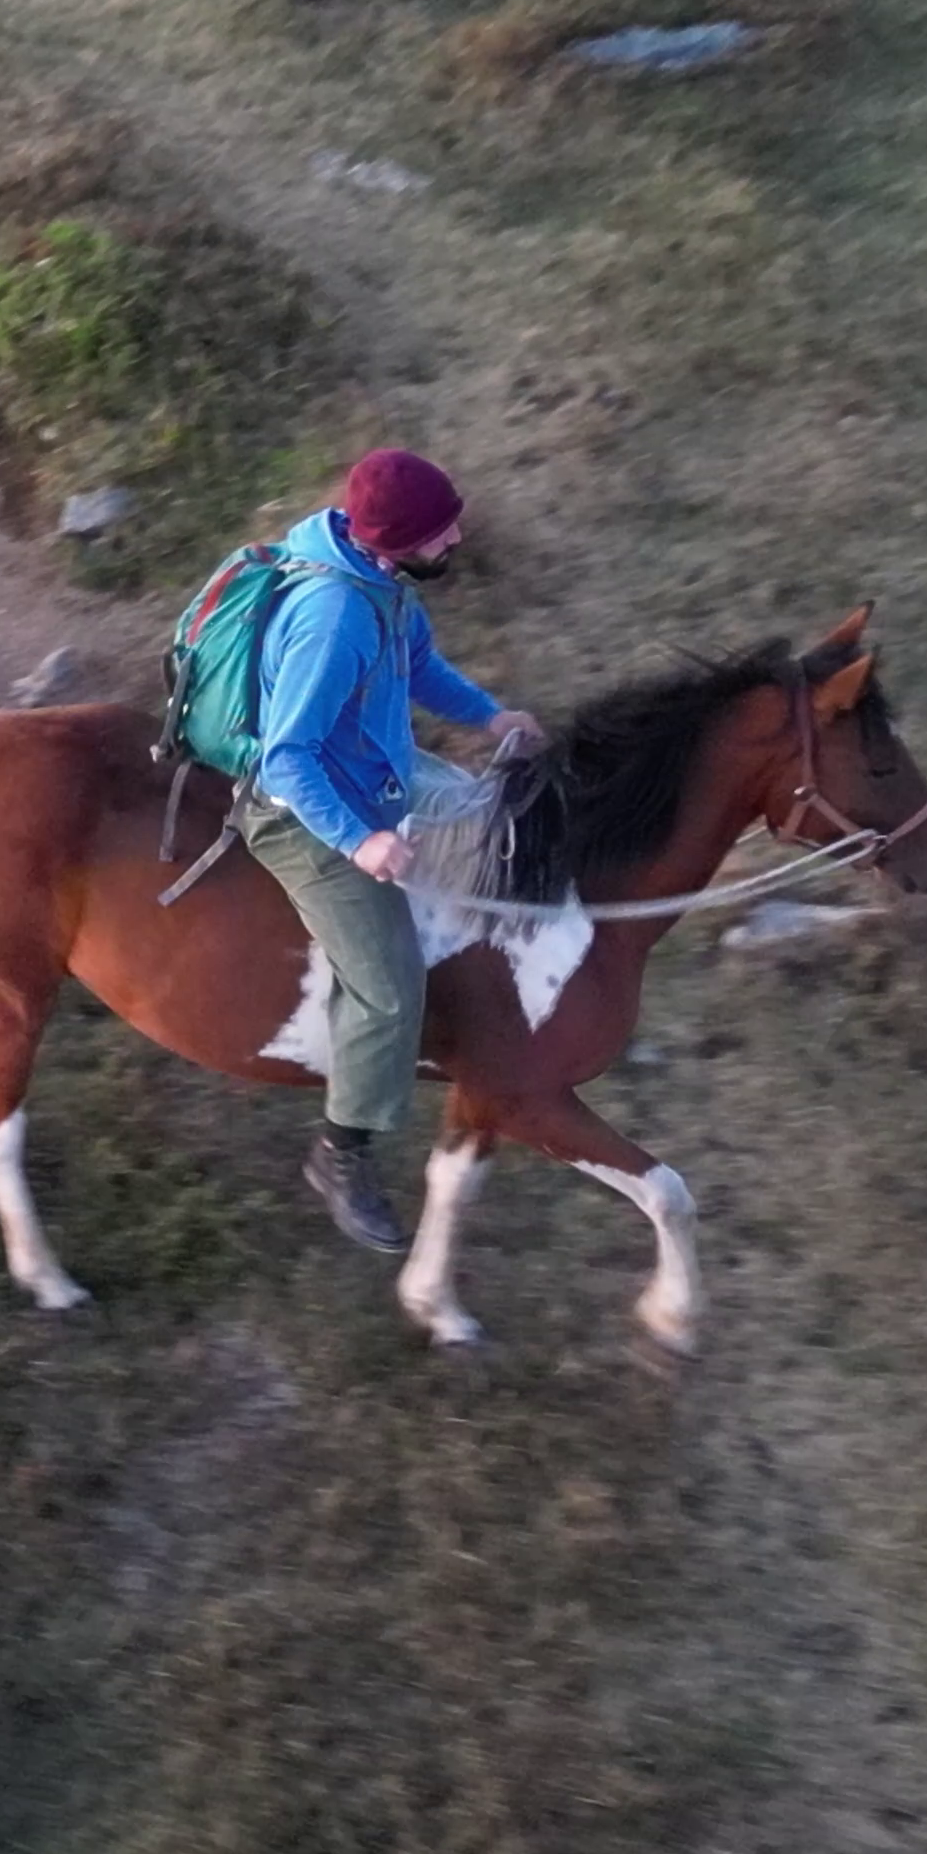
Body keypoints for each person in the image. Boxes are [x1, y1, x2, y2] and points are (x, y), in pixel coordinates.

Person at [244, 448, 545, 1253]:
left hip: (378, 765)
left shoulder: (381, 585)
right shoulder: (334, 617)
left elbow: (418, 669)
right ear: (396, 540)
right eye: (443, 533)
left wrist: (490, 717)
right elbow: (285, 759)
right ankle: (341, 1151)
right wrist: (362, 841)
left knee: (496, 816)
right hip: (304, 807)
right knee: (387, 983)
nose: (456, 542)